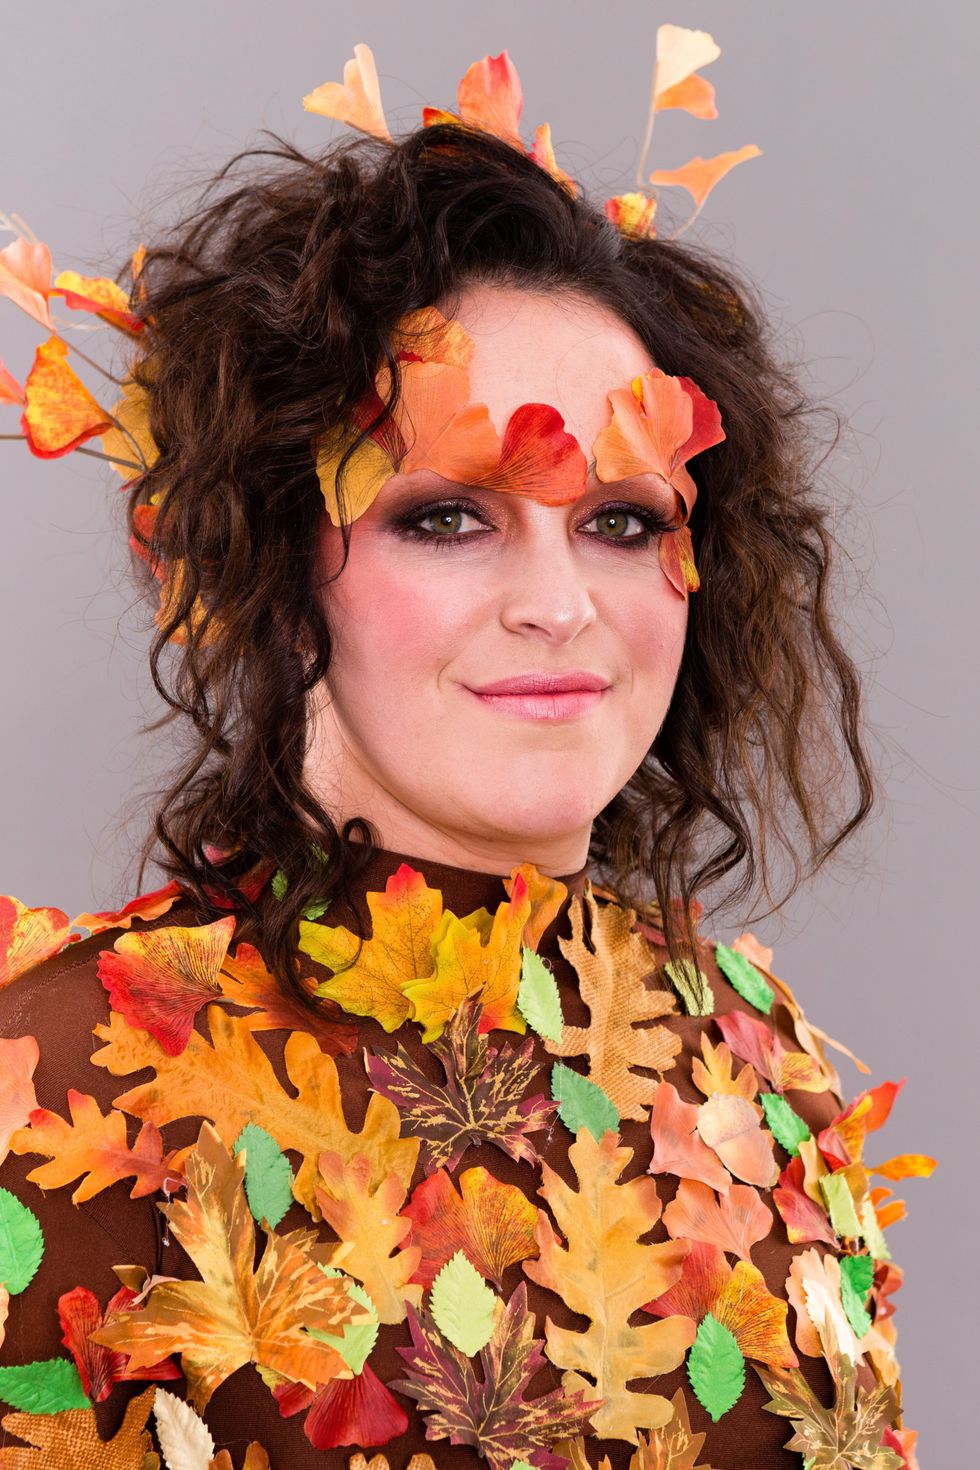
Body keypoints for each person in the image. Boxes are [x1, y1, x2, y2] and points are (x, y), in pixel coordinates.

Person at [0, 31, 931, 1470]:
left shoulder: (764, 1069)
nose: (560, 604)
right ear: (277, 571)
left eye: (621, 520)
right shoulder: (63, 1083)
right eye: (446, 516)